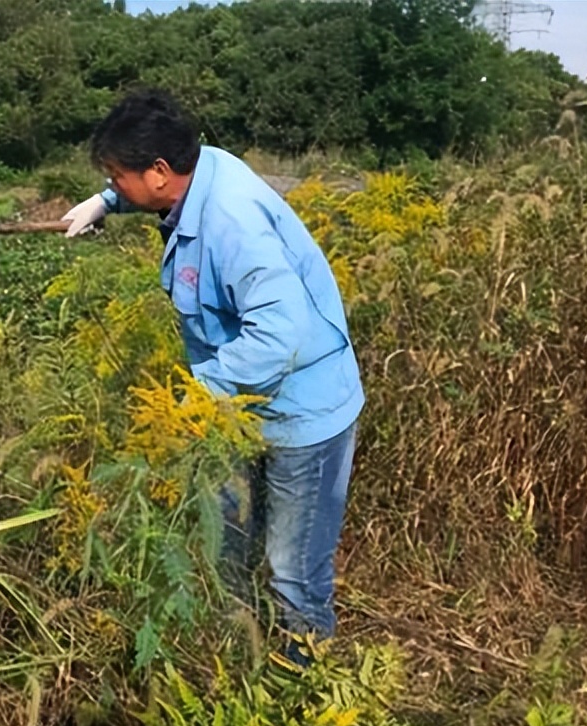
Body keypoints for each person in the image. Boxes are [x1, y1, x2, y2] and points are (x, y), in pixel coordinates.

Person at [61, 89, 364, 666]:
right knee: (225, 544)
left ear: (157, 171)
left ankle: (301, 688)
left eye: (116, 175)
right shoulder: (199, 170)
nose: (115, 183)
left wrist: (195, 397)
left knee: (292, 570)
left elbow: (280, 334)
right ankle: (235, 668)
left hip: (303, 412)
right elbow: (163, 195)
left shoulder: (233, 223)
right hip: (240, 407)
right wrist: (104, 202)